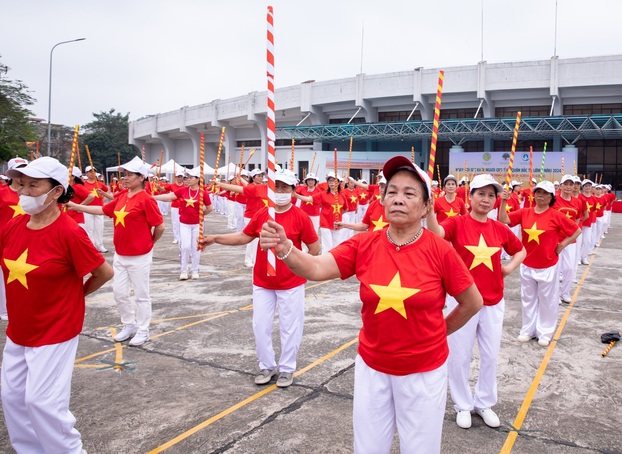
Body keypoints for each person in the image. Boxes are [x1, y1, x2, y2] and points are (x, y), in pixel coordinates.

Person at [260, 156, 482, 453]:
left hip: (423, 371)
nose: (398, 199)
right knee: (368, 448)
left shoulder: (440, 251)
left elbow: (472, 301)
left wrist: (440, 331)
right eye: (392, 191)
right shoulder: (364, 244)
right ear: (383, 199)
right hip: (372, 367)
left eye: (409, 193)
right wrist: (286, 248)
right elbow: (315, 268)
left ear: (426, 206)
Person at [1, 157, 113, 454]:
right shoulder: (13, 226)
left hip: (56, 328)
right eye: (21, 184)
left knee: (42, 403)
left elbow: (104, 272)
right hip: (19, 328)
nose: (24, 192)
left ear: (56, 192)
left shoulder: (69, 232)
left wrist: (75, 296)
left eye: (33, 185)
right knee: (12, 398)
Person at [199, 169, 320, 388]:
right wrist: (216, 238)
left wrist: (301, 265)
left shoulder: (300, 217)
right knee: (260, 325)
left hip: (291, 282)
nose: (281, 192)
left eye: (285, 188)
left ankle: (287, 368)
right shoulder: (263, 214)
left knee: (290, 326)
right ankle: (266, 365)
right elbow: (244, 236)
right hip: (263, 281)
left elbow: (315, 248)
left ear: (293, 191)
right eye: (277, 187)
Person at [426, 173, 526, 430]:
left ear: (495, 200)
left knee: (490, 355)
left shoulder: (500, 229)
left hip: (493, 300)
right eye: (480, 193)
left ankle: (484, 402)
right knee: (459, 355)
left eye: (491, 195)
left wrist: (508, 268)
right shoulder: (457, 223)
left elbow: (520, 249)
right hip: (461, 301)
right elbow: (436, 234)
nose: (486, 199)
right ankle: (462, 404)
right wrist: (429, 210)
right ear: (469, 196)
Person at [69, 156, 164, 346]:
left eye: (129, 175)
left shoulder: (146, 199)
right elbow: (104, 210)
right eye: (124, 175)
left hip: (140, 255)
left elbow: (159, 226)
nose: (125, 178)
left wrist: (148, 244)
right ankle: (129, 325)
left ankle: (143, 330)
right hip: (120, 254)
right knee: (119, 292)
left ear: (141, 178)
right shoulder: (122, 196)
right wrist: (76, 206)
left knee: (141, 294)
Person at [499, 181, 580, 347]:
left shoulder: (556, 215)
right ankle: (528, 329)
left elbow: (576, 230)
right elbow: (504, 219)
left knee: (547, 300)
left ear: (551, 197)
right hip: (527, 263)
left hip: (548, 264)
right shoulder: (525, 212)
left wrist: (562, 245)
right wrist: (503, 201)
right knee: (528, 299)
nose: (540, 196)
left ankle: (545, 331)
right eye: (538, 192)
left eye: (545, 193)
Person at [153, 167, 213, 280]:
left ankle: (195, 270)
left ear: (197, 179)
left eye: (190, 177)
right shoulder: (183, 190)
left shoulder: (203, 193)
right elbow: (169, 197)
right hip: (184, 223)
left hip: (197, 224)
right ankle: (183, 270)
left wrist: (201, 215)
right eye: (187, 177)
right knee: (185, 247)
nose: (188, 179)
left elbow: (210, 208)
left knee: (196, 248)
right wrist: (152, 197)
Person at [0, 157, 29, 321]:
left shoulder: (32, 194)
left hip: (26, 239)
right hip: (4, 240)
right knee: (4, 276)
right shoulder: (2, 193)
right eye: (18, 171)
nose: (21, 175)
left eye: (24, 170)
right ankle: (4, 309)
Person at [553, 175, 585, 304]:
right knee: (555, 268)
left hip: (570, 240)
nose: (568, 186)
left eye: (571, 184)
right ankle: (554, 294)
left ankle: (565, 292)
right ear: (561, 186)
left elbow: (577, 219)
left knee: (569, 268)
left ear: (574, 187)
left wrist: (572, 233)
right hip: (555, 239)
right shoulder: (554, 200)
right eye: (565, 184)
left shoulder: (577, 202)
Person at [82, 165, 110, 253]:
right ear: (86, 173)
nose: (92, 173)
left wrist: (104, 198)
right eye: (90, 171)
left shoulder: (99, 184)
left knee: (99, 227)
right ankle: (91, 246)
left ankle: (99, 245)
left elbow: (106, 190)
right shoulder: (83, 184)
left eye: (93, 171)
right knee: (89, 228)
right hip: (87, 208)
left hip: (99, 208)